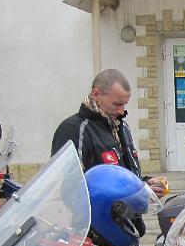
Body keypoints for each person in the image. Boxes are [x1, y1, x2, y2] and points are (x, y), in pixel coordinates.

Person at [52, 68, 168, 197]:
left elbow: (123, 176)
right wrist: (131, 196)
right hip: (99, 216)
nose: (121, 111)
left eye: (124, 104)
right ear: (96, 94)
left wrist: (145, 184)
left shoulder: (122, 127)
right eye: (117, 104)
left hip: (128, 215)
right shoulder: (73, 129)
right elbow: (71, 189)